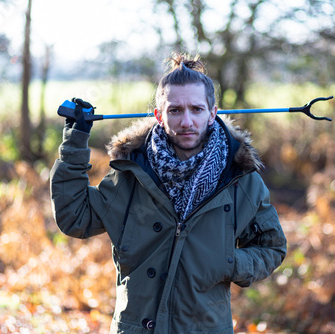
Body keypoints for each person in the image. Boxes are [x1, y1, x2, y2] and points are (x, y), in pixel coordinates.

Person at [50, 52, 287, 334]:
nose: (186, 121)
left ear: (213, 113)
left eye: (196, 109)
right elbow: (74, 217)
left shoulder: (239, 179)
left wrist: (230, 263)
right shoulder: (131, 173)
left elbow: (272, 247)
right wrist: (75, 140)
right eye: (175, 110)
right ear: (159, 116)